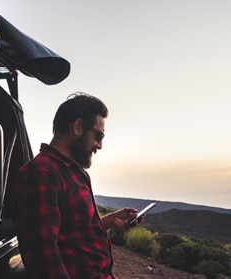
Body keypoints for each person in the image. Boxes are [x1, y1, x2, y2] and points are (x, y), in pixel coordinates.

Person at [15, 92, 144, 279]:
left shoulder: (75, 172)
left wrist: (110, 221)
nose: (99, 145)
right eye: (98, 135)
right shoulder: (43, 173)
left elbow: (71, 230)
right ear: (77, 127)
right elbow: (43, 258)